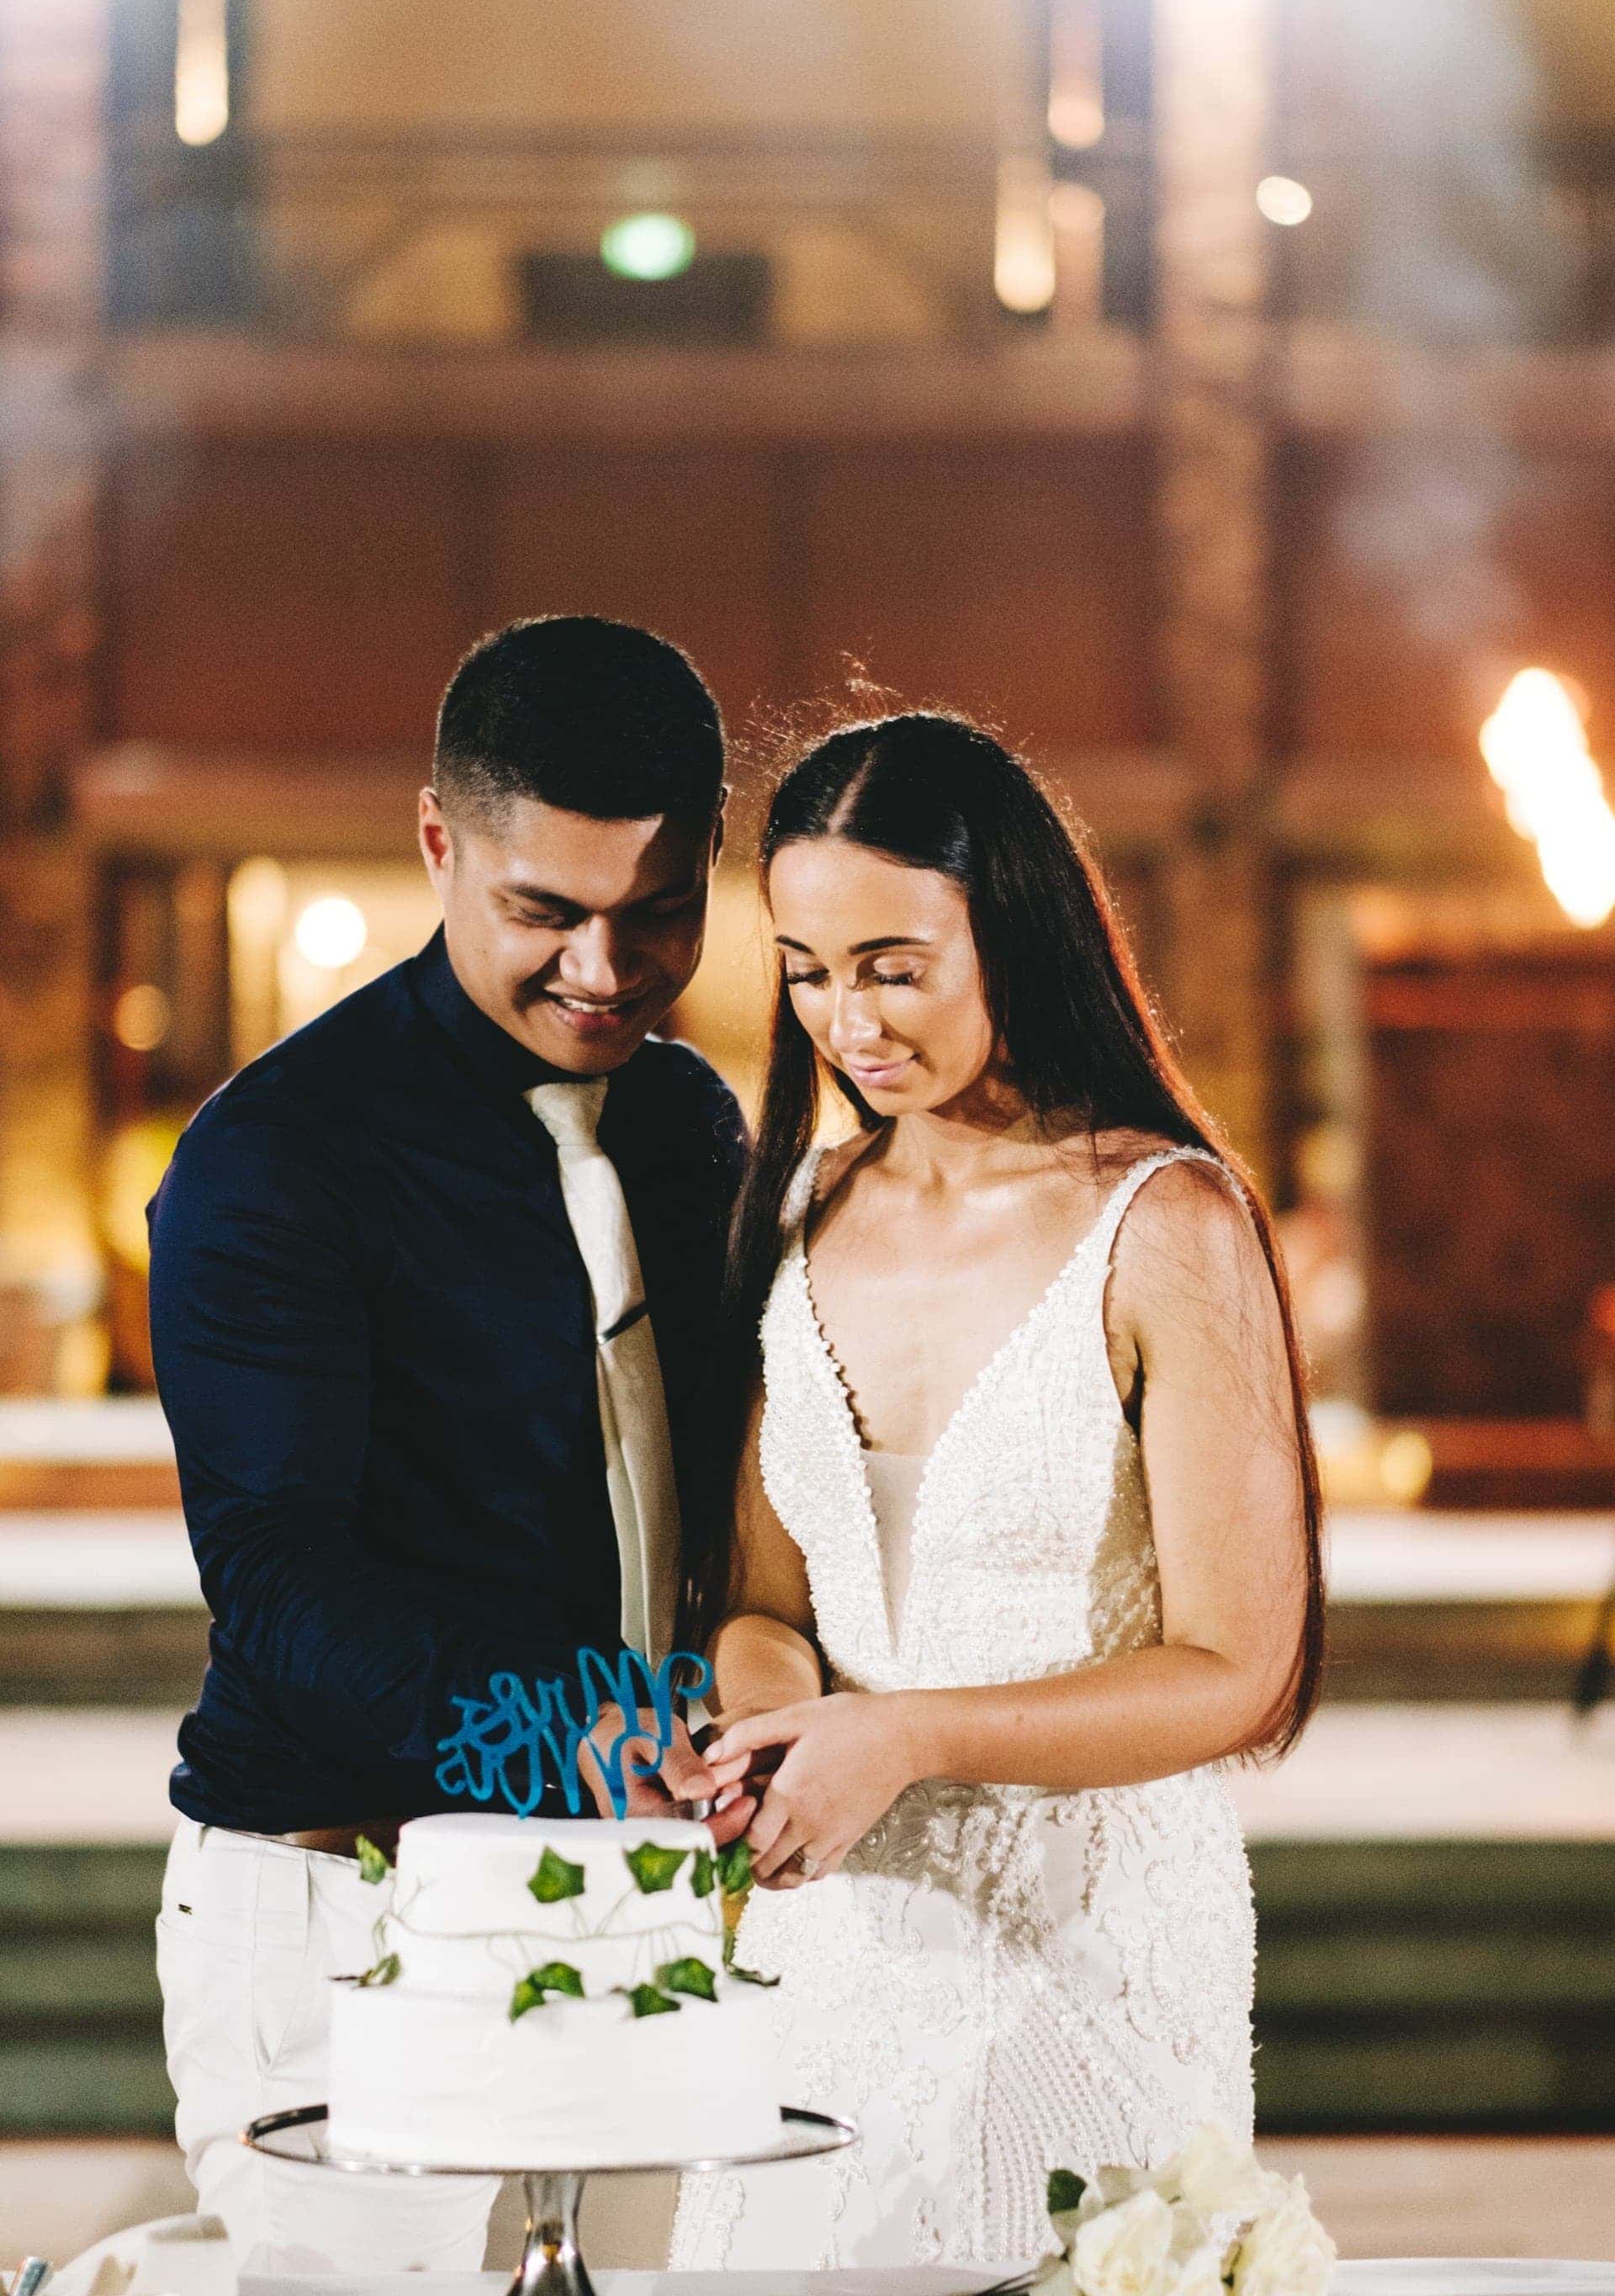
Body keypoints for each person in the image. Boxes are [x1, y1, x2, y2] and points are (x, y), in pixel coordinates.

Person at [671, 711, 1324, 2270]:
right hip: (832, 1941)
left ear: (1012, 933)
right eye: (808, 967)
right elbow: (766, 1603)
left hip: (1087, 1946)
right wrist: (763, 1732)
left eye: (895, 965)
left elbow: (1241, 1669)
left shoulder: (1164, 1224)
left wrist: (909, 1735)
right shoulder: (804, 1208)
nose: (847, 1018)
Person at [146, 618, 749, 2273]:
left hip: (636, 1909)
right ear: (438, 844)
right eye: (544, 914)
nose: (605, 970)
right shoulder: (276, 1156)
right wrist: (604, 1734)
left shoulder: (697, 1129)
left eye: (658, 913)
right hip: (347, 1905)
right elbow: (277, 1582)